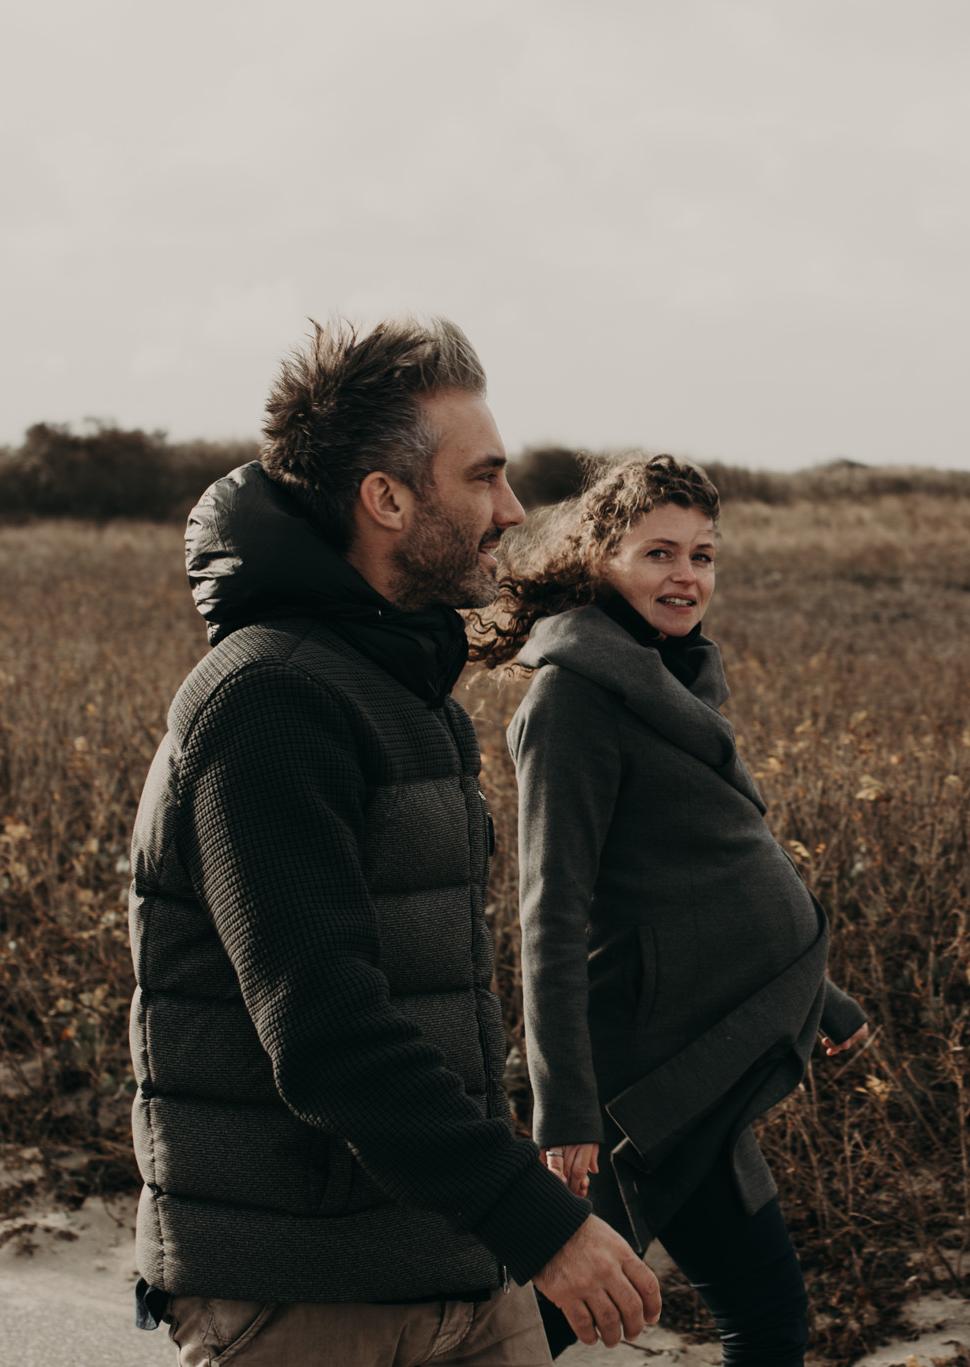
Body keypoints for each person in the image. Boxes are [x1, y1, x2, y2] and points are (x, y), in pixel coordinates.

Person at [126, 318, 661, 1366]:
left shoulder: (393, 690)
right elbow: (326, 1030)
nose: (511, 509)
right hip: (307, 1290)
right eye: (485, 476)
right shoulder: (269, 700)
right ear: (386, 499)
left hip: (453, 1261)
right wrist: (539, 1221)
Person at [472, 454, 871, 1366]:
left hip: (713, 1056)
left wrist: (822, 993)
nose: (686, 576)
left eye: (703, 554)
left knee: (767, 1321)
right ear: (599, 557)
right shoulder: (572, 700)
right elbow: (551, 914)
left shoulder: (673, 676)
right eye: (658, 553)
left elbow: (722, 866)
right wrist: (564, 1108)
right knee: (533, 1331)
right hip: (645, 1082)